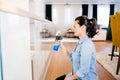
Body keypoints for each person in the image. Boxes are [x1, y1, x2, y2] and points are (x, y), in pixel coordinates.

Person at [56, 16, 98, 80]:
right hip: (78, 76)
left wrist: (69, 78)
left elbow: (84, 70)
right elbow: (72, 58)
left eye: (75, 27)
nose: (73, 29)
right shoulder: (80, 42)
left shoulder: (86, 45)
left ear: (83, 28)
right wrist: (61, 45)